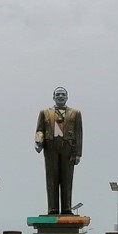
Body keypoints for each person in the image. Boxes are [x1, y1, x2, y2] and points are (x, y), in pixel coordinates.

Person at [35, 86, 83, 215]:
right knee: (51, 177)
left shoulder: (75, 113)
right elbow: (40, 129)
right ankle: (53, 208)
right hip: (51, 146)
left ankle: (67, 208)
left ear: (67, 97)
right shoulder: (45, 113)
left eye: (63, 94)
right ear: (53, 97)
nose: (60, 96)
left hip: (68, 147)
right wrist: (38, 141)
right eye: (58, 94)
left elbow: (79, 133)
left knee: (67, 178)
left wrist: (78, 153)